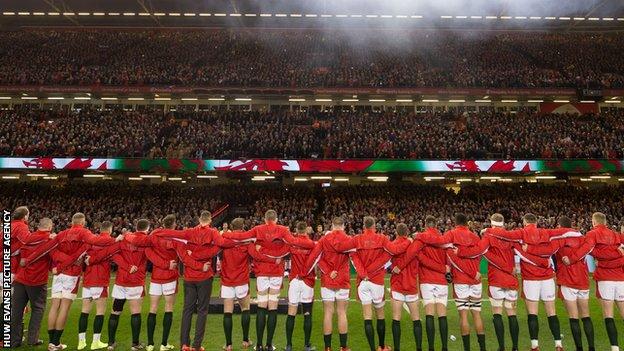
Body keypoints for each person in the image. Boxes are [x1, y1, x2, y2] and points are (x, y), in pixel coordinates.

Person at [22, 212, 118, 351]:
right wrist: (116, 240)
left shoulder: (61, 234)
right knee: (65, 308)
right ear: (83, 222)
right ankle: (54, 343)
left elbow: (48, 249)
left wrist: (30, 259)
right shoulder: (84, 233)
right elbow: (97, 242)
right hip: (71, 274)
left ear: (72, 222)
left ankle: (53, 342)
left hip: (58, 275)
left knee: (54, 307)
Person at [456, 214, 549, 351]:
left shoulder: (488, 236)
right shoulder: (510, 236)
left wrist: (460, 251)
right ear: (503, 223)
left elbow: (479, 251)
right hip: (511, 280)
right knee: (512, 313)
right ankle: (515, 347)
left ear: (491, 223)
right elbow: (523, 253)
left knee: (497, 313)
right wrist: (543, 262)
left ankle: (501, 347)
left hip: (496, 280)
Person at [222, 210, 309, 351]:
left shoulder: (258, 229)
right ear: (276, 218)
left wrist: (224, 233)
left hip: (262, 272)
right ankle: (269, 344)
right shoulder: (282, 230)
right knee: (272, 307)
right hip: (276, 272)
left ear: (264, 218)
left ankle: (259, 345)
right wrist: (276, 256)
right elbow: (291, 244)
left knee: (262, 306)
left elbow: (242, 237)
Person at [486, 213, 574, 351]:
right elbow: (552, 248)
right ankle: (558, 344)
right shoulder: (545, 232)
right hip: (547, 278)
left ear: (524, 222)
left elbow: (514, 245)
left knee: (532, 313)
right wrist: (545, 262)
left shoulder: (521, 233)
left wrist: (488, 231)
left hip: (531, 279)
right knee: (552, 312)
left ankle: (534, 346)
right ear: (536, 222)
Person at [417, 213, 485, 351]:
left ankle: (466, 349)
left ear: (455, 223)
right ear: (467, 223)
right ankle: (482, 348)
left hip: (461, 280)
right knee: (477, 314)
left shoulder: (451, 234)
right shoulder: (475, 236)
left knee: (464, 316)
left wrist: (419, 235)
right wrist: (474, 271)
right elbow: (479, 254)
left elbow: (439, 243)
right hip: (476, 280)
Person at [561, 212, 624, 351]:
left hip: (605, 278)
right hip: (620, 278)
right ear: (605, 222)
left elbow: (586, 249)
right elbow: (620, 252)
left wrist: (571, 259)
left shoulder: (592, 234)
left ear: (594, 222)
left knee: (608, 314)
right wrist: (617, 254)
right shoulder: (615, 235)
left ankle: (615, 348)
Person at [86, 219, 150, 351]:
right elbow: (152, 256)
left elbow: (113, 255)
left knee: (115, 312)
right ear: (147, 229)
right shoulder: (146, 241)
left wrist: (92, 260)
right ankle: (135, 344)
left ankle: (110, 343)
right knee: (135, 312)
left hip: (121, 282)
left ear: (136, 227)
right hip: (136, 281)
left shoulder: (123, 240)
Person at [350, 216, 408, 351]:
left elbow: (353, 257)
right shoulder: (382, 238)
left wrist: (364, 273)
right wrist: (408, 241)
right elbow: (393, 251)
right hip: (376, 281)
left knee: (367, 317)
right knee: (380, 315)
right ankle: (382, 347)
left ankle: (372, 349)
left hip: (363, 281)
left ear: (364, 226)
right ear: (374, 226)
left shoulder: (357, 239)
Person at [11, 218, 66, 348]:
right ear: (50, 227)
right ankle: (32, 339)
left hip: (20, 278)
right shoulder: (49, 239)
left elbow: (18, 253)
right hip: (37, 280)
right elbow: (55, 257)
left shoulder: (28, 237)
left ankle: (14, 340)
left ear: (39, 226)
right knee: (38, 309)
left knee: (16, 311)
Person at [305, 216, 356, 351]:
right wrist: (364, 274)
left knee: (328, 313)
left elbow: (315, 257)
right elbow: (355, 258)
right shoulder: (349, 239)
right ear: (343, 226)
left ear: (332, 226)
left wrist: (326, 271)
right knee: (341, 313)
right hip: (343, 280)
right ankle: (343, 347)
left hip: (328, 280)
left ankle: (328, 348)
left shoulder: (324, 239)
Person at [77, 221, 115, 351]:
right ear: (110, 230)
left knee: (85, 311)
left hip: (88, 279)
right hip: (100, 279)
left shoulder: (91, 241)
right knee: (100, 312)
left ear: (100, 229)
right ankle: (95, 342)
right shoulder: (110, 241)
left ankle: (81, 342)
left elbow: (81, 257)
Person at [386, 223, 423, 351]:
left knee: (396, 318)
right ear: (407, 232)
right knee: (416, 318)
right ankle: (419, 348)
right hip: (411, 284)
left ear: (396, 232)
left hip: (397, 284)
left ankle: (397, 348)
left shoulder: (392, 245)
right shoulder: (413, 245)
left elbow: (387, 264)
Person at [284, 221, 317, 351]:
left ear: (297, 230)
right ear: (307, 230)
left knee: (291, 312)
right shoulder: (312, 244)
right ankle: (307, 345)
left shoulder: (292, 242)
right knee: (307, 313)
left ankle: (289, 345)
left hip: (294, 281)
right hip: (307, 281)